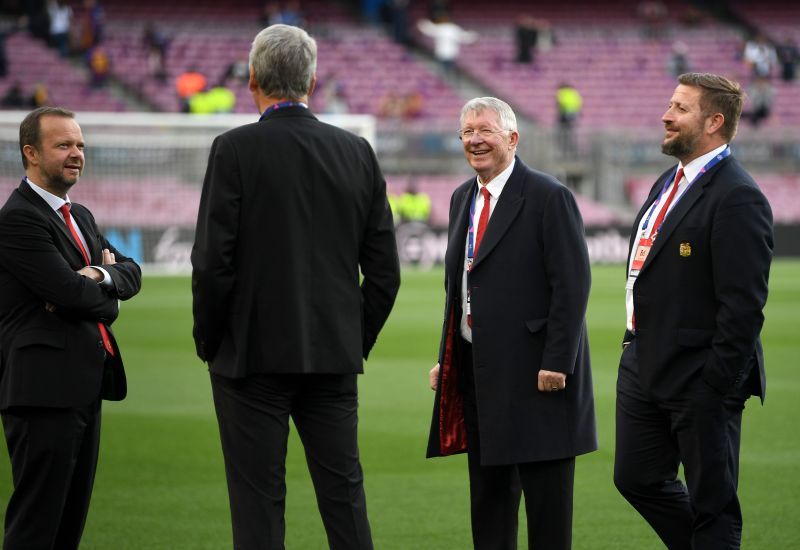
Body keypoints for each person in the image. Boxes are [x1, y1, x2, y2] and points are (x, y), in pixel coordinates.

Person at [191, 24, 400, 550]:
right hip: (331, 355)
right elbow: (384, 273)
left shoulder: (233, 149)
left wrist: (210, 341)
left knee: (257, 503)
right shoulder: (357, 152)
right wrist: (351, 336)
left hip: (250, 358)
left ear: (253, 80)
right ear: (312, 80)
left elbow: (213, 262)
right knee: (345, 498)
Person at [426, 97, 597, 550]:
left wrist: (558, 360)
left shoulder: (548, 195)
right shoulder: (463, 197)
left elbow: (573, 285)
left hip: (538, 376)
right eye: (466, 132)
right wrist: (446, 358)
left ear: (512, 138)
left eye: (484, 130)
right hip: (480, 374)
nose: (474, 140)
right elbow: (460, 285)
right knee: (490, 503)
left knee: (547, 510)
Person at [614, 73, 773, 549]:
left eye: (681, 108)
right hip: (644, 362)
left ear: (714, 122)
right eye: (670, 104)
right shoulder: (670, 181)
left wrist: (716, 385)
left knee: (714, 505)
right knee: (636, 478)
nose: (666, 115)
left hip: (700, 373)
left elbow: (743, 307)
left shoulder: (737, 195)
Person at [0, 106, 142, 549]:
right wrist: (97, 290)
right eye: (63, 145)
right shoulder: (19, 218)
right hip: (42, 389)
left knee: (68, 526)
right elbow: (68, 292)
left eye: (80, 144)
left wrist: (99, 275)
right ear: (31, 153)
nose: (76, 153)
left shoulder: (79, 215)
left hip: (82, 384)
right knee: (36, 525)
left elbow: (131, 274)